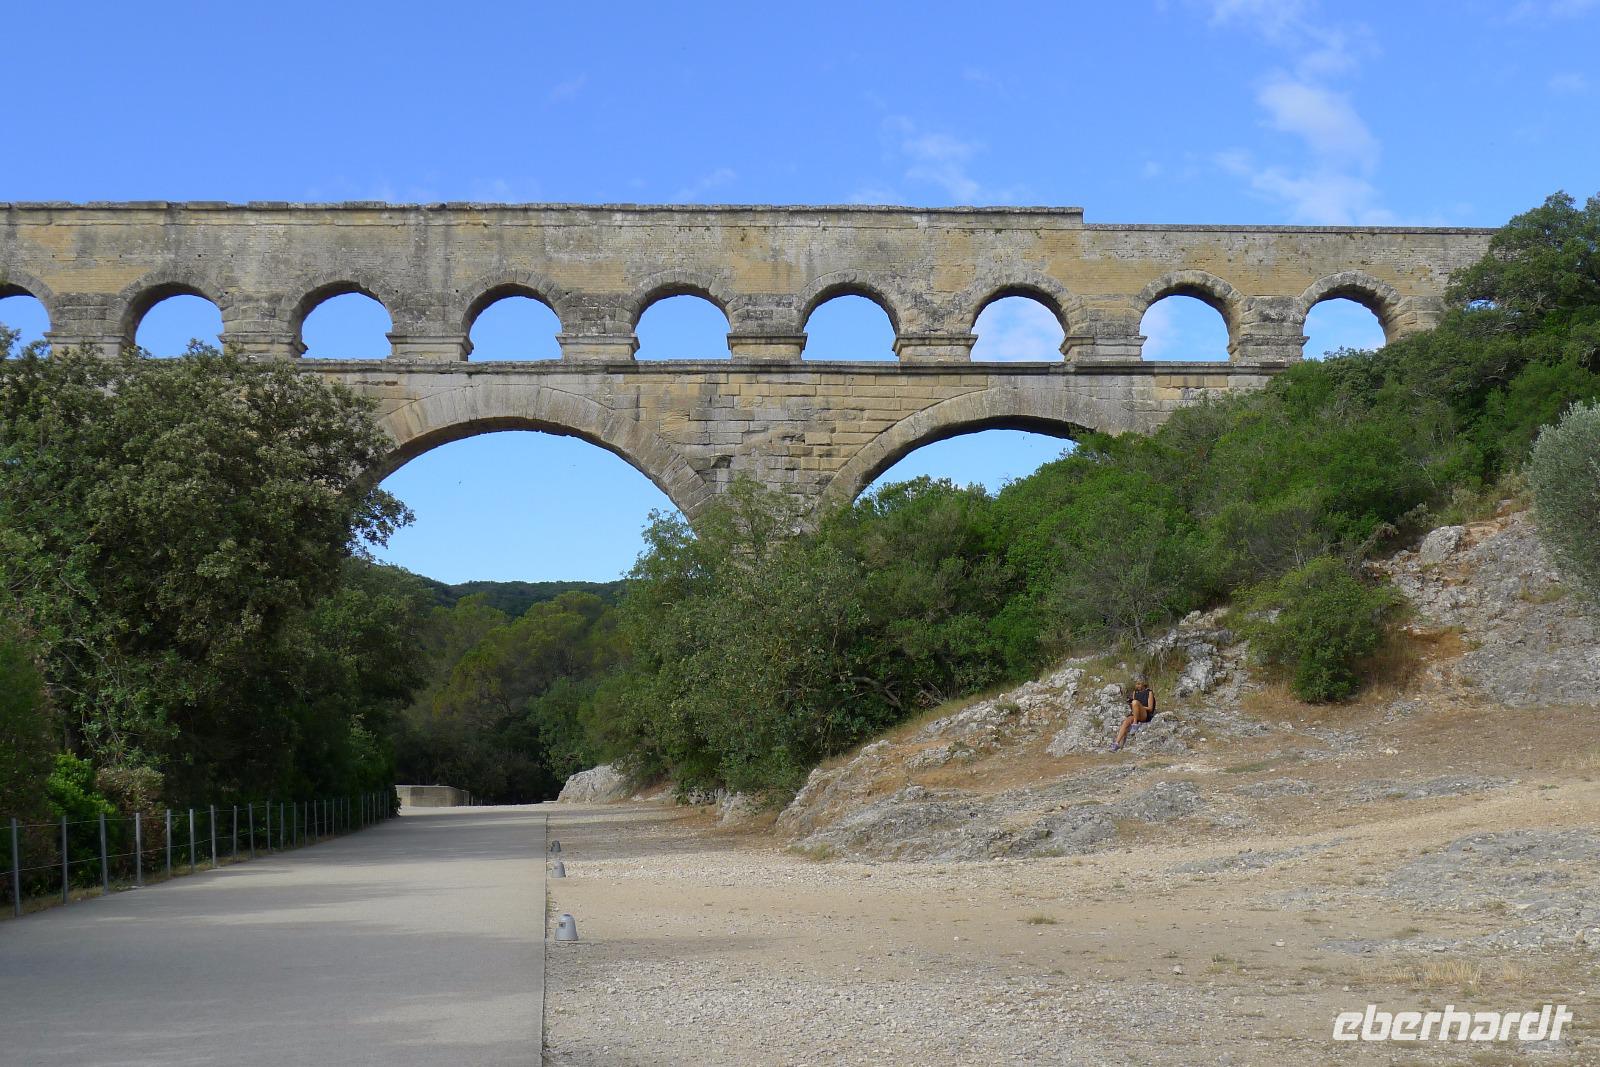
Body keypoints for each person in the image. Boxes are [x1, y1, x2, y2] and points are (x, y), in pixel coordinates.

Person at [1110, 680, 1155, 752]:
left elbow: (1150, 708)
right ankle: (1116, 743)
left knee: (1135, 702)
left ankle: (1135, 723)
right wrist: (1133, 706)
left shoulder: (1149, 692)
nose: (1137, 686)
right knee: (1126, 722)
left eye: (1139, 684)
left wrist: (1139, 706)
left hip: (1145, 714)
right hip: (1135, 713)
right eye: (1137, 684)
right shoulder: (1135, 692)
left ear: (1143, 684)